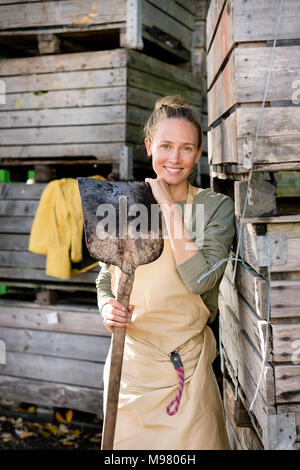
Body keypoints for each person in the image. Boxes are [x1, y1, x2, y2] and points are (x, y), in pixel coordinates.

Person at [95, 95, 235, 450]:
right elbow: (104, 278)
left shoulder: (214, 207)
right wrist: (107, 306)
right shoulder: (123, 204)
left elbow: (201, 280)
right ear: (149, 147)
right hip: (131, 370)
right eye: (166, 146)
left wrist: (169, 208)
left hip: (187, 368)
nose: (175, 158)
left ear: (199, 153)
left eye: (186, 148)